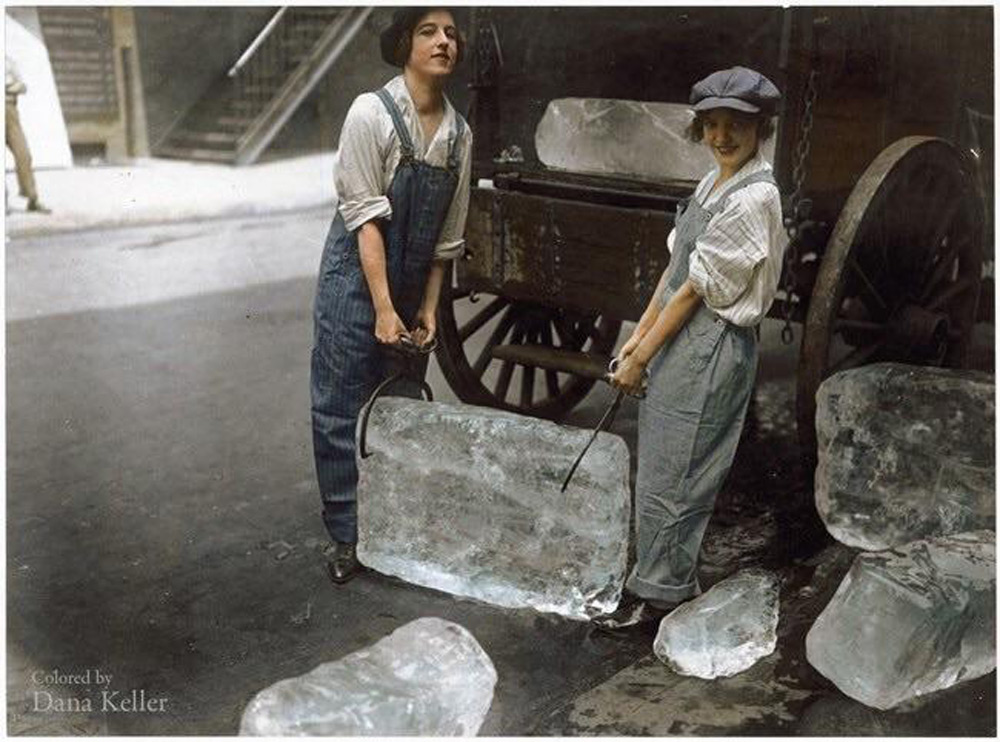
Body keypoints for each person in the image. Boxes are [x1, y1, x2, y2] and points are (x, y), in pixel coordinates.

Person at [598, 67, 787, 628]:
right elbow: (673, 273)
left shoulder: (755, 198)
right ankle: (656, 583)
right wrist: (635, 341)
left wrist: (643, 357)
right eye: (712, 125)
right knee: (659, 464)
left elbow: (694, 293)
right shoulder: (713, 183)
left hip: (714, 345)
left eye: (737, 126)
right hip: (683, 338)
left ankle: (660, 598)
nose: (722, 137)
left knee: (682, 476)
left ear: (761, 128)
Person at [311, 8, 471, 585]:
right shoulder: (369, 114)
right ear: (404, 43)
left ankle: (391, 530)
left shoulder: (459, 135)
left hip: (408, 288)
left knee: (397, 409)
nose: (443, 42)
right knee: (340, 408)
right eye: (429, 31)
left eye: (451, 33)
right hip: (357, 281)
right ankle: (348, 537)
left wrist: (427, 309)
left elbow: (445, 241)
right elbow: (366, 223)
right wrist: (382, 308)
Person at [5, 56, 48, 213]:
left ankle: (32, 199)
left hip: (10, 111)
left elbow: (22, 87)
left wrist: (7, 88)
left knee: (24, 154)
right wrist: (10, 86)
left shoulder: (8, 61)